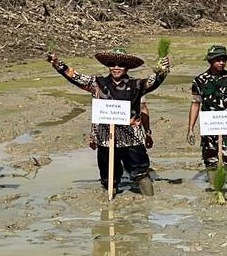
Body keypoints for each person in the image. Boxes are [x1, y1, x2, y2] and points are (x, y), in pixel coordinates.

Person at [49, 46, 170, 195]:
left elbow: (153, 82)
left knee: (141, 173)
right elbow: (75, 76)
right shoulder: (97, 83)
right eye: (112, 64)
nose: (116, 67)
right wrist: (57, 64)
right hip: (106, 138)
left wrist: (162, 69)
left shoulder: (136, 85)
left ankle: (149, 205)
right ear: (108, 66)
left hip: (132, 138)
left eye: (121, 65)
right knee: (108, 179)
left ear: (127, 67)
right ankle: (110, 207)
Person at [186, 44, 227, 188]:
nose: (221, 62)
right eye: (217, 59)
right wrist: (190, 128)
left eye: (223, 60)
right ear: (210, 61)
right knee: (210, 158)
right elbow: (195, 104)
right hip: (209, 125)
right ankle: (215, 187)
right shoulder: (199, 80)